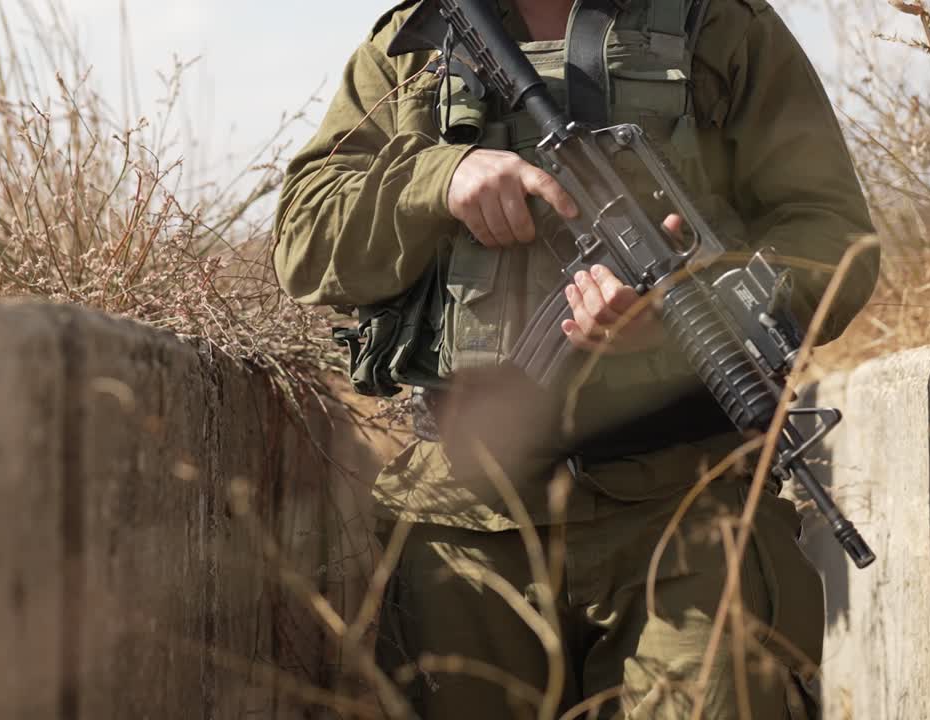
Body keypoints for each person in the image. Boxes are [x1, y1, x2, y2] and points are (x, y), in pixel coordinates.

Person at [275, 0, 878, 717]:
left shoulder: (719, 25)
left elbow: (833, 238)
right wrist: (441, 178)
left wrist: (687, 311)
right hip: (466, 528)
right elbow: (304, 240)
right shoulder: (412, 44)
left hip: (687, 508)